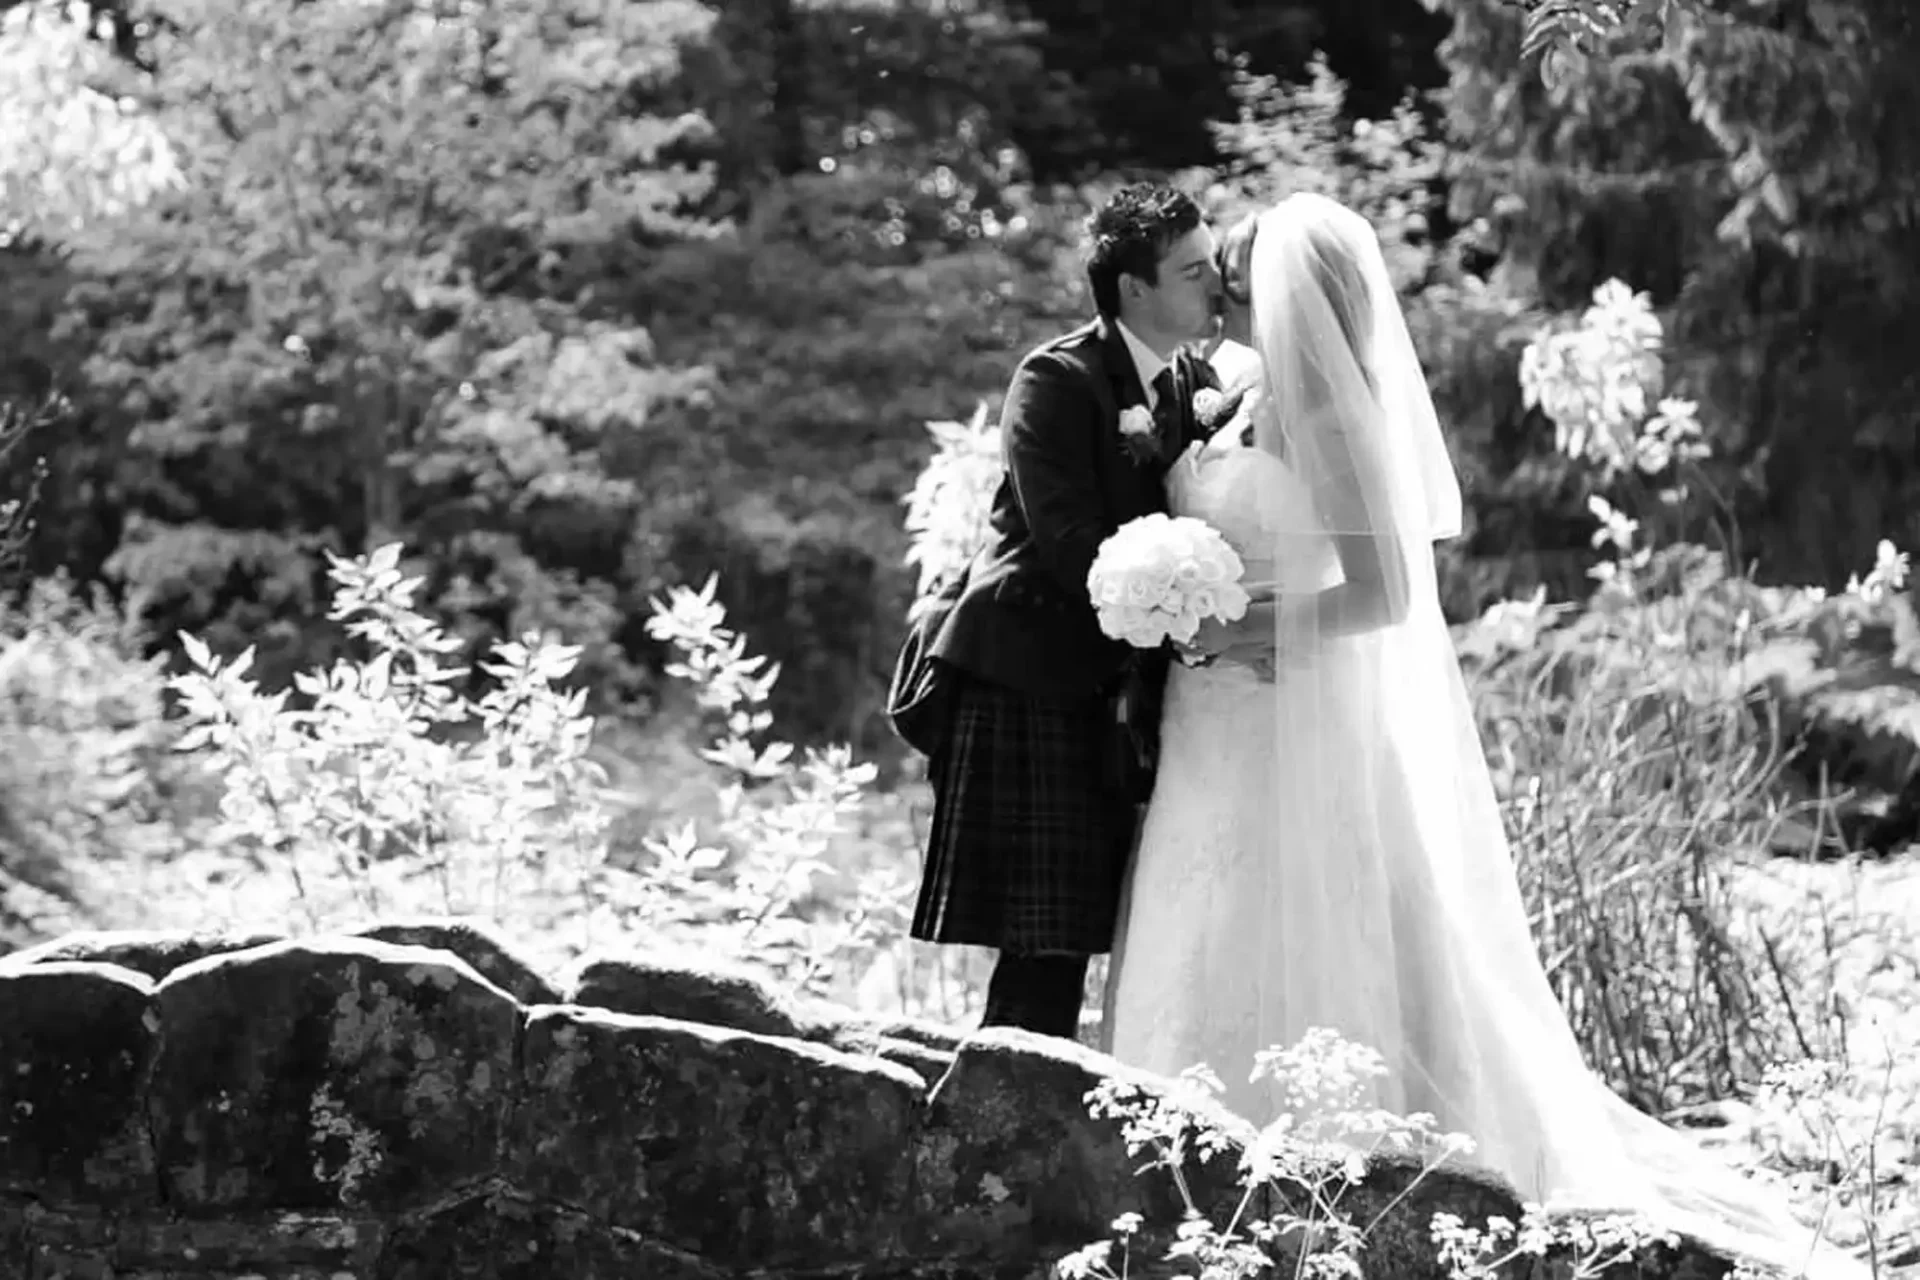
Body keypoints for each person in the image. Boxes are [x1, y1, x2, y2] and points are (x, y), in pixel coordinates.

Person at [1100, 191, 1867, 1278]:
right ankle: (1174, 1177)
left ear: (1295, 299)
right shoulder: (1231, 395)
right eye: (1219, 281)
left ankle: (1341, 1171)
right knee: (1200, 908)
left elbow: (1383, 593)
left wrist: (1236, 623)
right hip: (1211, 724)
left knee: (1321, 919)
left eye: (1238, 283)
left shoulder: (1327, 417)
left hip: (1295, 713)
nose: (1224, 297)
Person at [906, 182, 1223, 1040]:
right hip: (1029, 675)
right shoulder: (1055, 378)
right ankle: (989, 1135)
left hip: (1119, 689)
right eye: (1194, 272)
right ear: (1134, 289)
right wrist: (1200, 617)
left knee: (1086, 940)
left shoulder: (1198, 381)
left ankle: (1014, 1124)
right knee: (1043, 950)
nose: (1215, 286)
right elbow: (1072, 542)